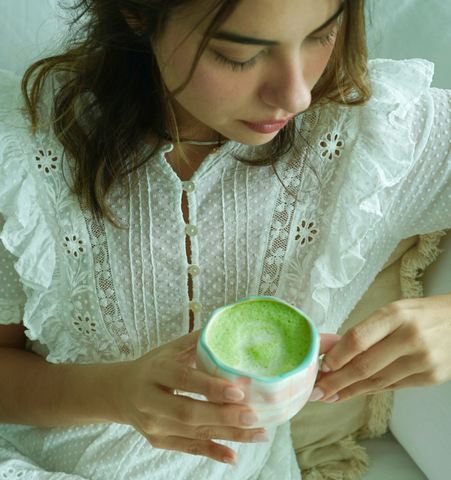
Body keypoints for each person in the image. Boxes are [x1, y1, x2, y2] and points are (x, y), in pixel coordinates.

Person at [0, 0, 450, 478]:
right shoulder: (24, 152)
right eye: (240, 55)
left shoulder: (376, 131)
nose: (296, 95)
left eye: (321, 34)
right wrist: (115, 393)